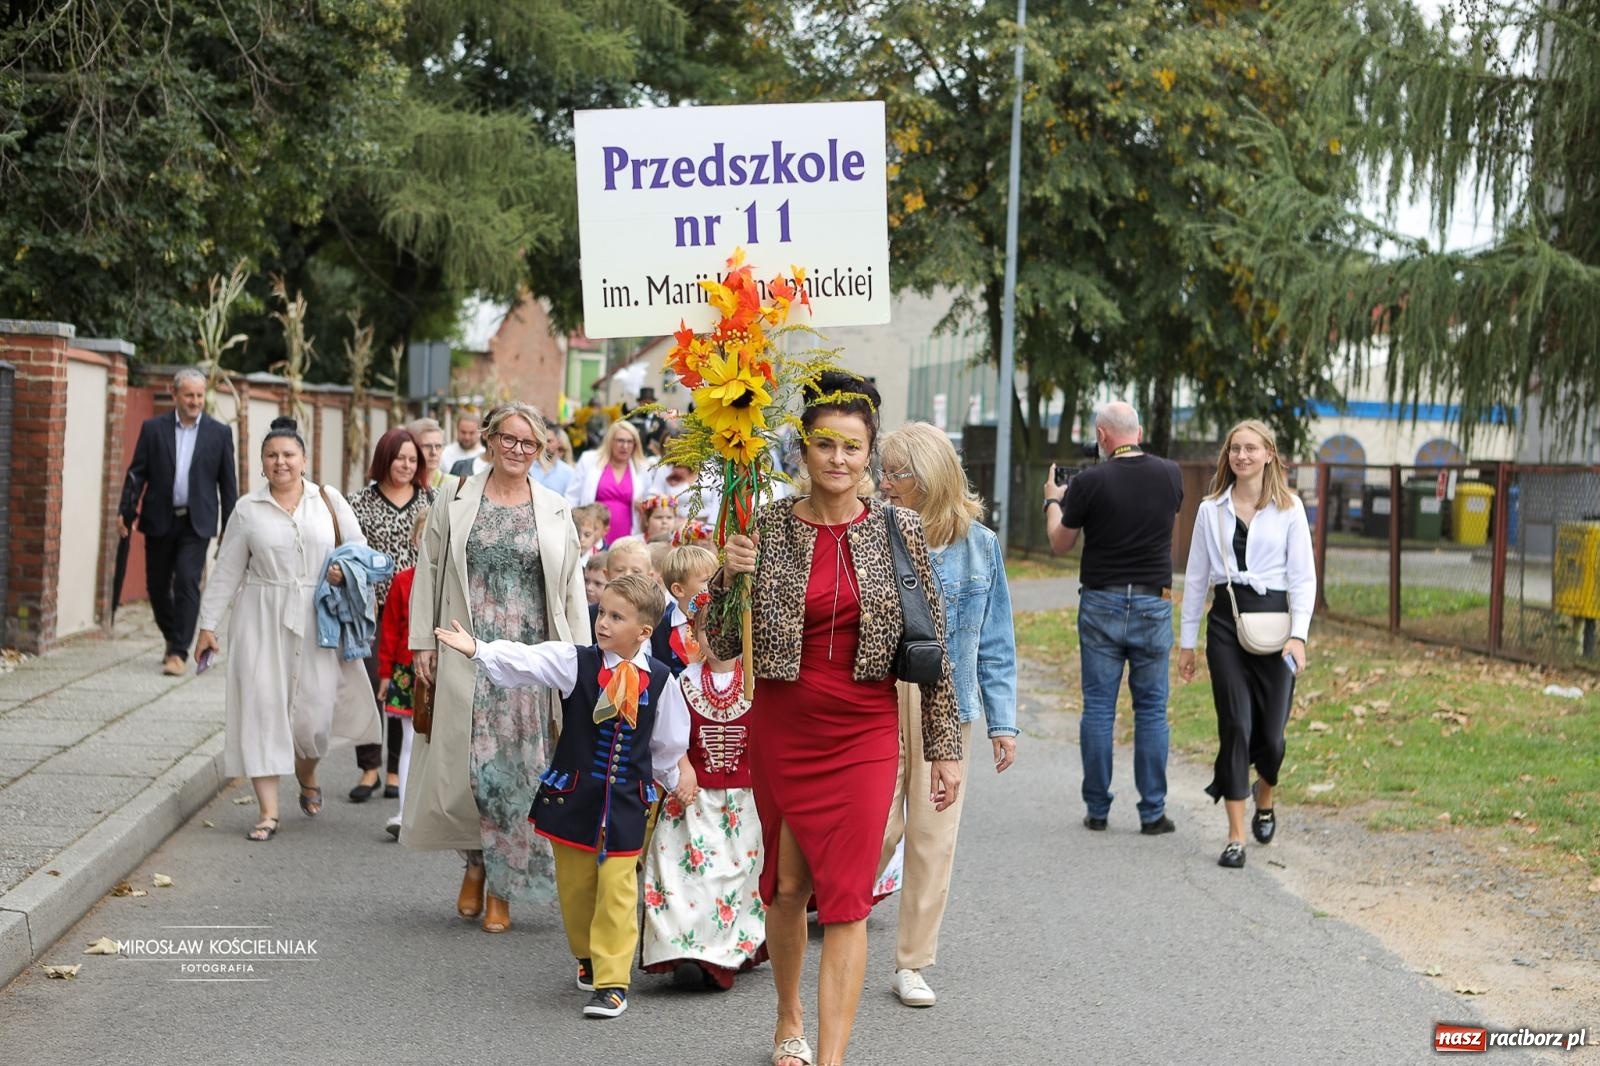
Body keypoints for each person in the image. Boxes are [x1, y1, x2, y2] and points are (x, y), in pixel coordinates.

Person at [715, 371, 963, 1066]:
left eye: (852, 446)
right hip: (785, 727)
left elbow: (932, 642)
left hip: (863, 731)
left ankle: (831, 1058)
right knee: (789, 888)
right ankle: (788, 1018)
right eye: (825, 444)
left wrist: (944, 747)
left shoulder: (898, 528)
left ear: (869, 452)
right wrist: (729, 576)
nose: (838, 459)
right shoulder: (764, 526)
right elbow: (723, 644)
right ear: (803, 449)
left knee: (848, 899)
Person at [432, 573, 690, 1019]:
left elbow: (666, 743)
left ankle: (612, 983)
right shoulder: (577, 663)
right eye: (602, 612)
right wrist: (478, 649)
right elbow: (529, 660)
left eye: (616, 617)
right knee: (576, 889)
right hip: (573, 799)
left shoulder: (663, 681)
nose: (602, 622)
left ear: (644, 631)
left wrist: (674, 781)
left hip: (627, 804)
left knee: (618, 890)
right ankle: (587, 954)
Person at [403, 401, 591, 934]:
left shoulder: (555, 508)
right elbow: (429, 569)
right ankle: (475, 862)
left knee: (518, 770)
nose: (516, 450)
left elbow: (571, 588)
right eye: (508, 438)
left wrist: (582, 661)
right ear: (489, 439)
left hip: (528, 659)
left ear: (541, 450)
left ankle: (501, 886)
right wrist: (423, 642)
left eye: (528, 443)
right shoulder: (455, 495)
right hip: (466, 646)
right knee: (471, 769)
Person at [874, 422, 1019, 1008]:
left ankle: (912, 962)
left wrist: (1002, 722)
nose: (885, 483)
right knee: (878, 823)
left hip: (948, 699)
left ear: (930, 478)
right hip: (880, 694)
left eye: (897, 474)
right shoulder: (873, 532)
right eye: (883, 472)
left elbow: (996, 641)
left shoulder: (979, 545)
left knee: (934, 834)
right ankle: (824, 903)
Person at [194, 417, 377, 841]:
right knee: (261, 708)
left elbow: (361, 554)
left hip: (318, 619)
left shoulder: (327, 500)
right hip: (260, 617)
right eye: (272, 455)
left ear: (304, 460)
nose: (281, 462)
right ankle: (268, 812)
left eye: (288, 455)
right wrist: (207, 625)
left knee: (315, 719)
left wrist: (342, 572)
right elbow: (227, 570)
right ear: (262, 463)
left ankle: (307, 772)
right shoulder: (247, 509)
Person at [1042, 401, 1183, 836]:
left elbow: (1060, 543)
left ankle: (1098, 809)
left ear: (1102, 436)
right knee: (1152, 709)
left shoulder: (1089, 481)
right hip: (1153, 602)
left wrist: (1053, 501)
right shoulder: (1170, 474)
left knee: (1100, 708)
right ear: (1138, 432)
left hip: (1101, 601)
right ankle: (1153, 813)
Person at [1179, 420, 1315, 869]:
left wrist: (1299, 635)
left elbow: (1303, 578)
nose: (1242, 456)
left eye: (1251, 448)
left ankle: (1266, 794)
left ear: (1269, 454)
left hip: (1278, 627)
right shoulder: (1210, 510)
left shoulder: (1290, 508)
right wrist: (1186, 643)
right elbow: (1196, 579)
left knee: (1272, 738)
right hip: (1226, 623)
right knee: (1235, 725)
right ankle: (1235, 837)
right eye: (1235, 449)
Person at [641, 607, 766, 990]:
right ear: (694, 633)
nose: (718, 637)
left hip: (744, 801)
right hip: (692, 798)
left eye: (728, 628)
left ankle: (722, 954)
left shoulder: (758, 681)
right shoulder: (683, 682)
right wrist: (682, 766)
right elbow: (667, 733)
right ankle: (685, 951)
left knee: (733, 876)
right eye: (709, 628)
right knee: (682, 873)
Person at [117, 367, 238, 675]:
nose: (195, 401)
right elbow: (137, 473)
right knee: (157, 587)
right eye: (189, 395)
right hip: (159, 518)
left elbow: (228, 485)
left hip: (196, 522)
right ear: (174, 395)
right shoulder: (153, 429)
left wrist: (231, 527)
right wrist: (126, 511)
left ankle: (179, 652)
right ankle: (174, 635)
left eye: (199, 395)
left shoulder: (219, 433)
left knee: (186, 580)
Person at [347, 428, 436, 805]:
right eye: (400, 458)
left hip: (415, 610)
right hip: (370, 610)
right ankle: (369, 766)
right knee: (370, 686)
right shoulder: (359, 502)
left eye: (413, 459)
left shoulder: (431, 500)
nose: (407, 465)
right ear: (385, 458)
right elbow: (347, 552)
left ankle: (397, 771)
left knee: (405, 686)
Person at [376, 509, 430, 838]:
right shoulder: (403, 581)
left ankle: (436, 815)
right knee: (410, 739)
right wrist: (385, 673)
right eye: (425, 535)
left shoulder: (455, 583)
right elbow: (390, 631)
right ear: (414, 540)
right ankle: (403, 812)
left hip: (444, 670)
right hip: (408, 670)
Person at [567, 419, 651, 545]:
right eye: (620, 441)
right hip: (592, 533)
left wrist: (644, 505)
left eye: (630, 441)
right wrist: (573, 526)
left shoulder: (642, 467)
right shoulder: (589, 460)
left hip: (628, 534)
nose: (625, 446)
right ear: (610, 441)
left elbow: (649, 499)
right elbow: (572, 496)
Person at [650, 544, 719, 676]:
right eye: (708, 580)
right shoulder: (660, 627)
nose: (716, 584)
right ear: (679, 590)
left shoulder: (723, 620)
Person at [530, 418, 577, 497]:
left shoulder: (569, 473)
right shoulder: (528, 468)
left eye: (549, 441)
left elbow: (571, 500)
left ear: (559, 442)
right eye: (541, 441)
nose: (545, 445)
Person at [406, 417, 447, 489]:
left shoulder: (454, 484)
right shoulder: (401, 483)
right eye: (427, 446)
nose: (434, 452)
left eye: (438, 446)